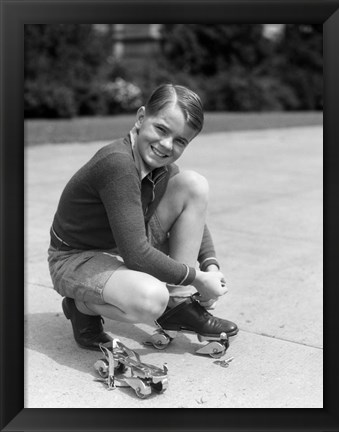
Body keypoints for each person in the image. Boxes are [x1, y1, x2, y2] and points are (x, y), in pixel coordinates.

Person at [48, 83, 238, 351]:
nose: (166, 145)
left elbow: (195, 219)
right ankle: (81, 307)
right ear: (140, 118)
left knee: (193, 184)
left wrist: (211, 267)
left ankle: (179, 304)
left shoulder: (162, 168)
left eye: (180, 140)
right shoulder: (118, 163)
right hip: (76, 258)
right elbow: (136, 253)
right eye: (161, 129)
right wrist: (196, 279)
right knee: (150, 299)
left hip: (119, 244)